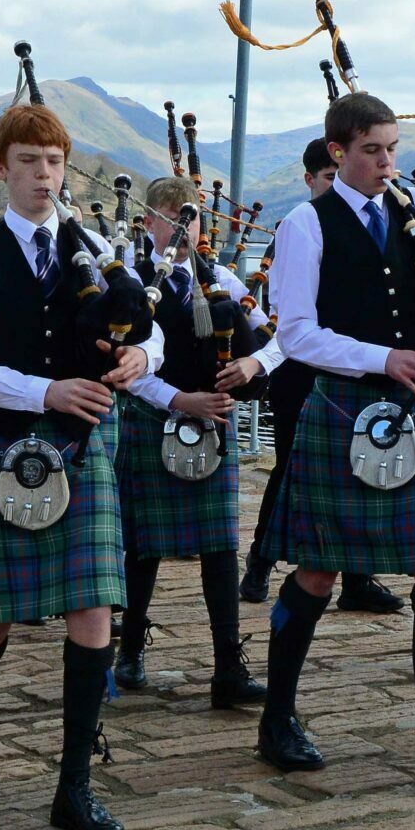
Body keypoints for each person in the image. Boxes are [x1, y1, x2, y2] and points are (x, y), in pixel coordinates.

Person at [0, 102, 154, 830]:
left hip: (82, 451)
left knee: (94, 611)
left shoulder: (96, 246)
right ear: (1, 170)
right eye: (27, 161)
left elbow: (149, 326)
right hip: (3, 445)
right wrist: (44, 390)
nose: (42, 175)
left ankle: (73, 785)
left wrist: (147, 359)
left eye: (53, 162)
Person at [257, 91, 415, 796]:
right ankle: (277, 718)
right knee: (318, 571)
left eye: (392, 147)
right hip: (343, 401)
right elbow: (294, 332)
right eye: (371, 149)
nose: (386, 160)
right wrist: (383, 358)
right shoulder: (306, 223)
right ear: (337, 151)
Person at [113, 176, 279, 706]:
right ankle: (130, 648)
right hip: (153, 415)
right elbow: (126, 367)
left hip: (214, 424)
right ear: (149, 222)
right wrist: (182, 401)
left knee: (220, 548)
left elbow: (278, 341)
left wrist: (250, 367)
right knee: (143, 548)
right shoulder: (133, 282)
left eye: (193, 217)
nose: (184, 229)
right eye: (171, 216)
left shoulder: (224, 279)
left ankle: (227, 666)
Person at [241, 140, 403, 617]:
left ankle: (357, 578)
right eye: (328, 177)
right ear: (310, 180)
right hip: (301, 374)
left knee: (365, 467)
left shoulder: (375, 228)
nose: (337, 184)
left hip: (361, 370)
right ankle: (260, 560)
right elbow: (281, 325)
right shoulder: (296, 231)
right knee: (291, 469)